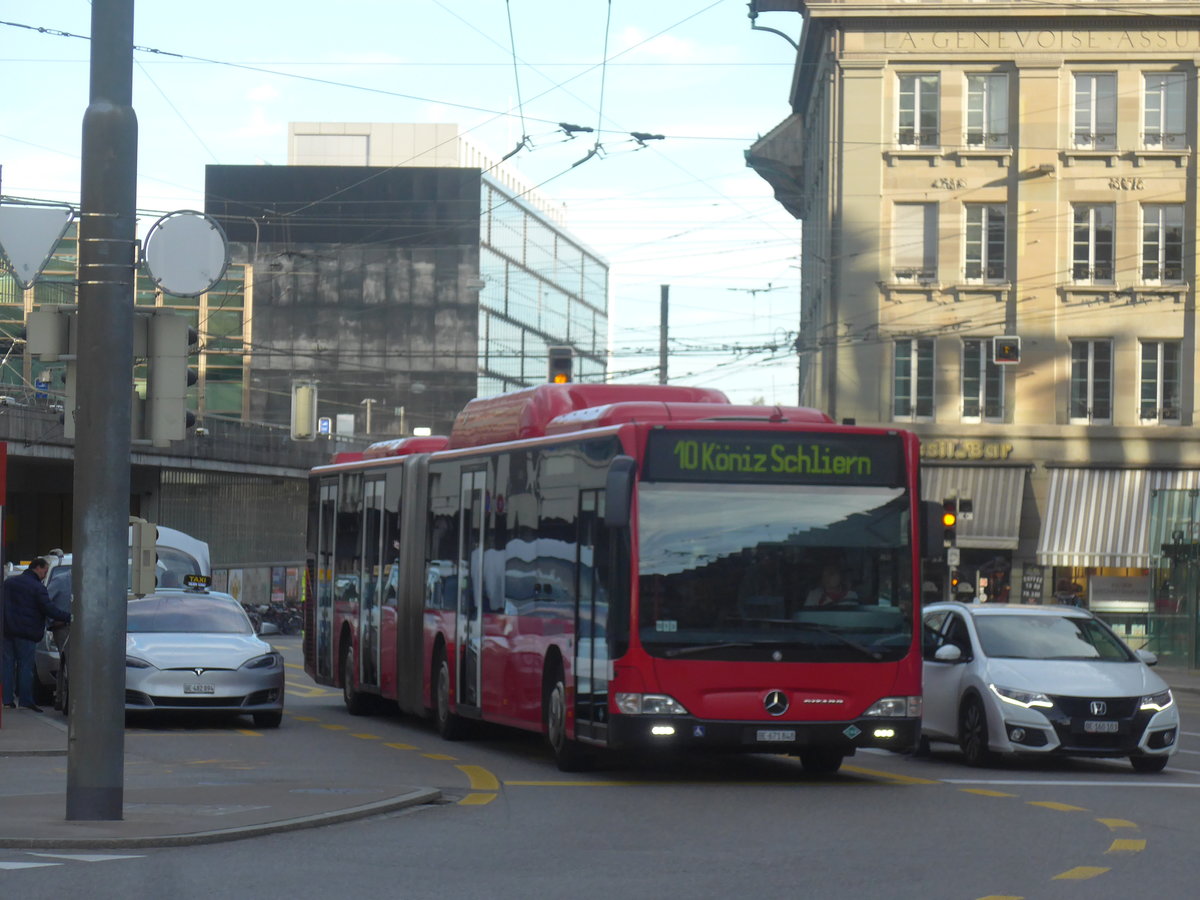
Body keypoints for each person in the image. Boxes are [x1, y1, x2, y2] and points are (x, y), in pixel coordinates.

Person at [2, 557, 70, 712]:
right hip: (26, 632)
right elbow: (49, 609)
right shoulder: (37, 587)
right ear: (38, 567)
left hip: (7, 631)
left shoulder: (9, 583)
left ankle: (7, 700)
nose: (45, 575)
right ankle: (25, 701)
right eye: (45, 571)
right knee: (26, 667)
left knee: (7, 665)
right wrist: (68, 617)